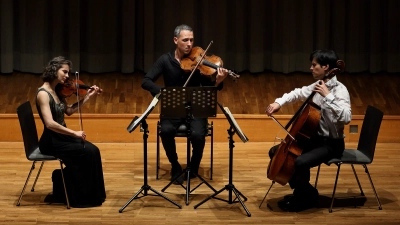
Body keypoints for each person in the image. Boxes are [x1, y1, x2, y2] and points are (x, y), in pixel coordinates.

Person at [265, 49, 352, 212]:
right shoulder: (318, 85)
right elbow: (297, 93)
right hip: (314, 140)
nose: (311, 68)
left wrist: (328, 97)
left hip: (331, 144)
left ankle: (303, 197)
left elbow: (346, 117)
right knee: (275, 152)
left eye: (314, 65)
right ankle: (306, 192)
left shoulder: (340, 91)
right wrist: (279, 103)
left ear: (326, 67)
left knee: (300, 162)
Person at [142, 24, 228, 184]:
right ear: (176, 40)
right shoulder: (165, 60)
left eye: (191, 40)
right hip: (173, 108)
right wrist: (162, 93)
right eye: (185, 40)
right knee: (166, 130)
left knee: (198, 135)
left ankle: (193, 165)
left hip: (195, 108)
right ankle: (174, 165)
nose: (189, 44)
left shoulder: (200, 62)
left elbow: (210, 89)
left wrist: (218, 81)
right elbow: (146, 81)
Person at [36, 56, 106, 207]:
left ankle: (94, 195)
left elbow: (68, 111)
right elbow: (49, 123)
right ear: (54, 70)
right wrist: (74, 133)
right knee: (87, 153)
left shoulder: (56, 91)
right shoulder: (43, 94)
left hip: (62, 137)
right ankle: (78, 196)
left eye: (68, 72)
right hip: (52, 141)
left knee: (94, 151)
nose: (68, 76)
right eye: (65, 72)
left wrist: (88, 96)